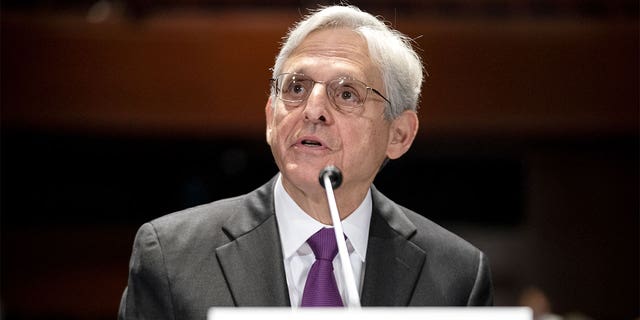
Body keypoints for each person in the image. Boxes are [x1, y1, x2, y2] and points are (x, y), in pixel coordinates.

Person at [118, 5, 493, 319]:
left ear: (399, 135)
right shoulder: (172, 256)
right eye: (296, 88)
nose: (314, 110)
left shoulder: (456, 275)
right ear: (270, 115)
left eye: (347, 94)